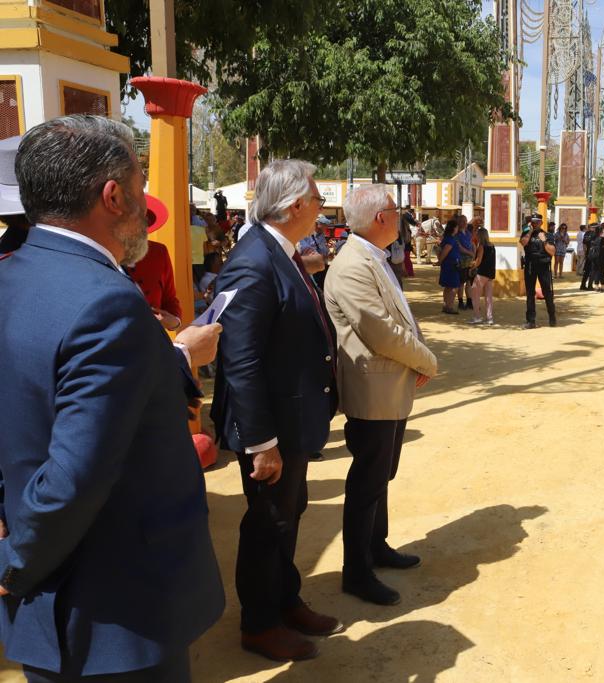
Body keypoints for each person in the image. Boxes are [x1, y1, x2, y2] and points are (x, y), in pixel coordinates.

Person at [0, 114, 225, 681]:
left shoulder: (11, 276)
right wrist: (13, 563)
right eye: (140, 186)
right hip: (113, 619)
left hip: (53, 612)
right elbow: (72, 480)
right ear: (113, 195)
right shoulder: (108, 302)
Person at [212, 159, 342, 663]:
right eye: (316, 199)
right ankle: (260, 623)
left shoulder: (282, 252)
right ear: (293, 207)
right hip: (271, 428)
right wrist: (261, 443)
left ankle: (285, 600)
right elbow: (240, 360)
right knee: (267, 523)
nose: (321, 207)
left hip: (294, 419)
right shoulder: (254, 260)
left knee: (289, 515)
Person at [323, 184, 438, 607]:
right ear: (379, 218)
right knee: (367, 480)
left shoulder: (372, 256)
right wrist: (425, 360)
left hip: (388, 382)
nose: (401, 215)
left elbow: (399, 317)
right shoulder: (354, 264)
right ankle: (356, 570)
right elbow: (379, 329)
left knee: (380, 475)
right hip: (372, 387)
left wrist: (416, 358)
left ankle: (377, 546)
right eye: (396, 209)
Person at [521, 215, 557, 328]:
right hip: (531, 266)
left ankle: (552, 317)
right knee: (530, 294)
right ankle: (530, 321)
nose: (534, 224)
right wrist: (529, 232)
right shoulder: (527, 233)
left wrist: (544, 241)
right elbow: (523, 243)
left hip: (544, 266)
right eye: (533, 222)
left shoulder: (548, 235)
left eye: (537, 222)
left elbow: (552, 252)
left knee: (547, 292)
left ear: (541, 222)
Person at [470, 227, 496, 324]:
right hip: (490, 274)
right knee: (488, 297)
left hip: (482, 273)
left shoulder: (481, 246)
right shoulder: (492, 246)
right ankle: (490, 318)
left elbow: (478, 261)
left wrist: (472, 266)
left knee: (474, 294)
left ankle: (477, 316)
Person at [298, 214, 332, 289]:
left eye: (326, 224)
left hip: (324, 264)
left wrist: (328, 252)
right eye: (324, 224)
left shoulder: (322, 234)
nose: (326, 226)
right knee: (317, 287)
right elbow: (306, 251)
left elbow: (324, 247)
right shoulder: (307, 235)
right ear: (316, 224)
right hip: (314, 268)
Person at [438, 219, 461, 314]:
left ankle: (446, 305)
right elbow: (446, 251)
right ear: (453, 228)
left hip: (448, 264)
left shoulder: (447, 237)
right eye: (456, 227)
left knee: (448, 287)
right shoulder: (451, 239)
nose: (457, 228)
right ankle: (450, 306)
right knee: (454, 286)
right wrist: (440, 261)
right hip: (451, 265)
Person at [455, 215, 475, 309]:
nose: (464, 223)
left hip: (469, 261)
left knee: (469, 282)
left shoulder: (468, 233)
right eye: (462, 221)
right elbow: (459, 247)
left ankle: (469, 301)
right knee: (461, 283)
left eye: (465, 221)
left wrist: (473, 253)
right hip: (461, 261)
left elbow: (472, 244)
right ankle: (460, 301)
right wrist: (470, 253)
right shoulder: (457, 234)